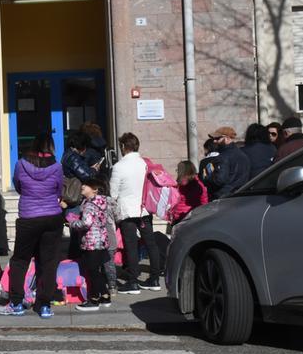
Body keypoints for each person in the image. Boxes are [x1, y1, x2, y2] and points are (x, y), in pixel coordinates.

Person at [0, 133, 64, 318]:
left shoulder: (20, 164)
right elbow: (59, 189)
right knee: (48, 262)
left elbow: (18, 185)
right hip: (52, 216)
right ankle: (44, 305)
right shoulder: (57, 166)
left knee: (20, 260)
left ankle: (17, 303)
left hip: (28, 217)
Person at [110, 132, 161, 295]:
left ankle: (132, 281)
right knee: (150, 243)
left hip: (127, 211)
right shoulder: (146, 164)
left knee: (131, 246)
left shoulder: (119, 167)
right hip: (144, 209)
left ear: (124, 147)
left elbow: (113, 194)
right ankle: (154, 279)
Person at [69, 177, 112, 313]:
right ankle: (105, 296)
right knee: (96, 271)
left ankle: (93, 300)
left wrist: (72, 223)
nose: (83, 186)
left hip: (91, 241)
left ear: (95, 189)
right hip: (101, 240)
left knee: (92, 272)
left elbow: (86, 223)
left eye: (86, 185)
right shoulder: (102, 202)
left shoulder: (89, 204)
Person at [61, 131, 99, 259]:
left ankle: (75, 261)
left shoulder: (68, 155)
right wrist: (94, 169)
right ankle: (76, 263)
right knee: (77, 235)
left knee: (75, 235)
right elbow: (86, 175)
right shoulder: (73, 157)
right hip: (75, 199)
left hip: (73, 199)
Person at [206, 126, 251, 199]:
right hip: (240, 196)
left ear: (226, 138)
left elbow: (220, 180)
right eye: (214, 139)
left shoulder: (223, 157)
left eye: (217, 138)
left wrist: (208, 176)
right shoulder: (243, 155)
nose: (214, 141)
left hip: (224, 197)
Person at [171, 160, 208, 224]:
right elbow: (204, 201)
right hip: (195, 216)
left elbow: (173, 201)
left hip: (179, 217)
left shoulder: (178, 185)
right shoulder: (199, 184)